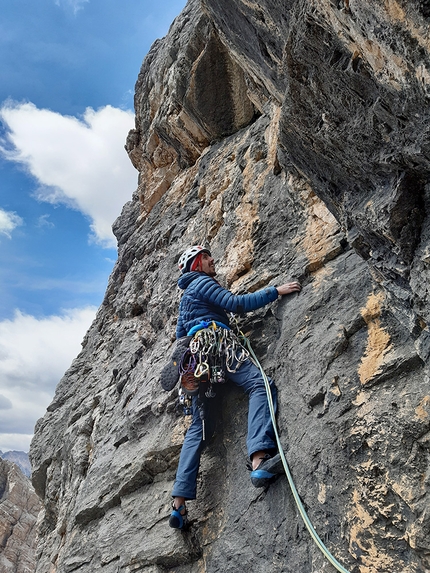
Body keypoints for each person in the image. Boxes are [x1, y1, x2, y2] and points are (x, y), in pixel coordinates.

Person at [167, 245, 301, 529]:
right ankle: (259, 460)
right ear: (196, 265)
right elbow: (235, 303)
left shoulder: (186, 298)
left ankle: (178, 505)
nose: (212, 259)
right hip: (217, 344)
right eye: (206, 257)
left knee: (199, 427)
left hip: (198, 356)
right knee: (260, 384)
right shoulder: (202, 281)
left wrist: (185, 370)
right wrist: (274, 291)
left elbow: (180, 338)